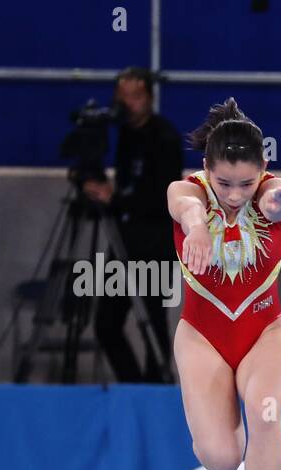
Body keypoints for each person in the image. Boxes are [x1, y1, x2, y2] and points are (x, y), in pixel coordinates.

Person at [167, 98, 281, 470]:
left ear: (262, 170)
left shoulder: (270, 192)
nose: (234, 194)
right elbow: (184, 206)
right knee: (221, 460)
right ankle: (238, 430)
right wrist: (198, 226)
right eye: (224, 184)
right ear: (207, 169)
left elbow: (275, 204)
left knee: (266, 415)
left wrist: (279, 201)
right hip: (202, 336)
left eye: (245, 183)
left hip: (264, 330)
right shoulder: (186, 190)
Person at [82, 66, 185, 382]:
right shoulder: (126, 133)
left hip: (155, 244)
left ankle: (154, 393)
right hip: (125, 240)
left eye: (136, 97)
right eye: (122, 97)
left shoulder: (164, 137)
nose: (129, 104)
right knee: (107, 324)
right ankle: (133, 388)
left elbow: (160, 196)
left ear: (149, 99)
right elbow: (127, 185)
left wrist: (115, 200)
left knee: (153, 323)